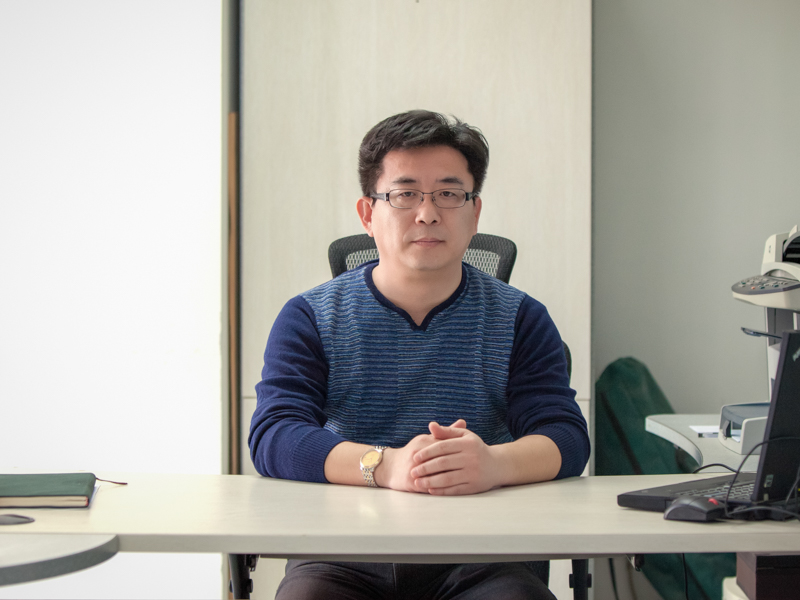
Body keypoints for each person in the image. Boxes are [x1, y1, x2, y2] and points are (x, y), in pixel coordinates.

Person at [249, 109, 590, 600]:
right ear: (368, 214)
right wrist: (386, 467)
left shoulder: (521, 318)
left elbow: (566, 436)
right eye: (404, 194)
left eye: (449, 194)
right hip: (343, 552)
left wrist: (492, 465)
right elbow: (274, 434)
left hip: (486, 554)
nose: (427, 213)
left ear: (475, 212)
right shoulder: (310, 316)